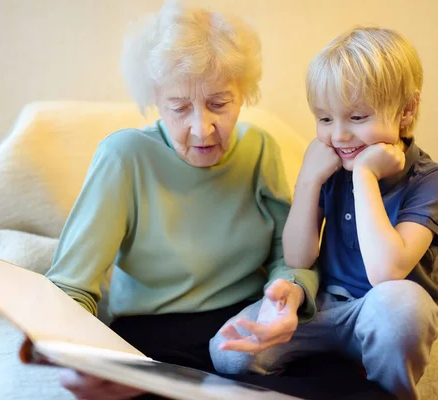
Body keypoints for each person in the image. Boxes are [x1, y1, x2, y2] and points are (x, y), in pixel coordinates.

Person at [44, 0, 319, 398]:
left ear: (244, 94)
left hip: (243, 329)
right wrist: (74, 350)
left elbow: (290, 253)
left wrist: (288, 293)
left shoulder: (261, 150)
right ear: (155, 99)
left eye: (219, 104)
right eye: (179, 107)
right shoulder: (124, 157)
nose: (202, 128)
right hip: (152, 338)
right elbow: (72, 286)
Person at [211, 26, 438, 400]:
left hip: (381, 313)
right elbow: (298, 256)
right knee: (226, 353)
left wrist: (365, 177)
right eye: (325, 119)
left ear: (406, 110)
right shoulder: (331, 164)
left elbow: (386, 273)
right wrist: (309, 180)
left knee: (402, 309)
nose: (339, 136)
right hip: (324, 305)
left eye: (357, 117)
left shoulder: (432, 180)